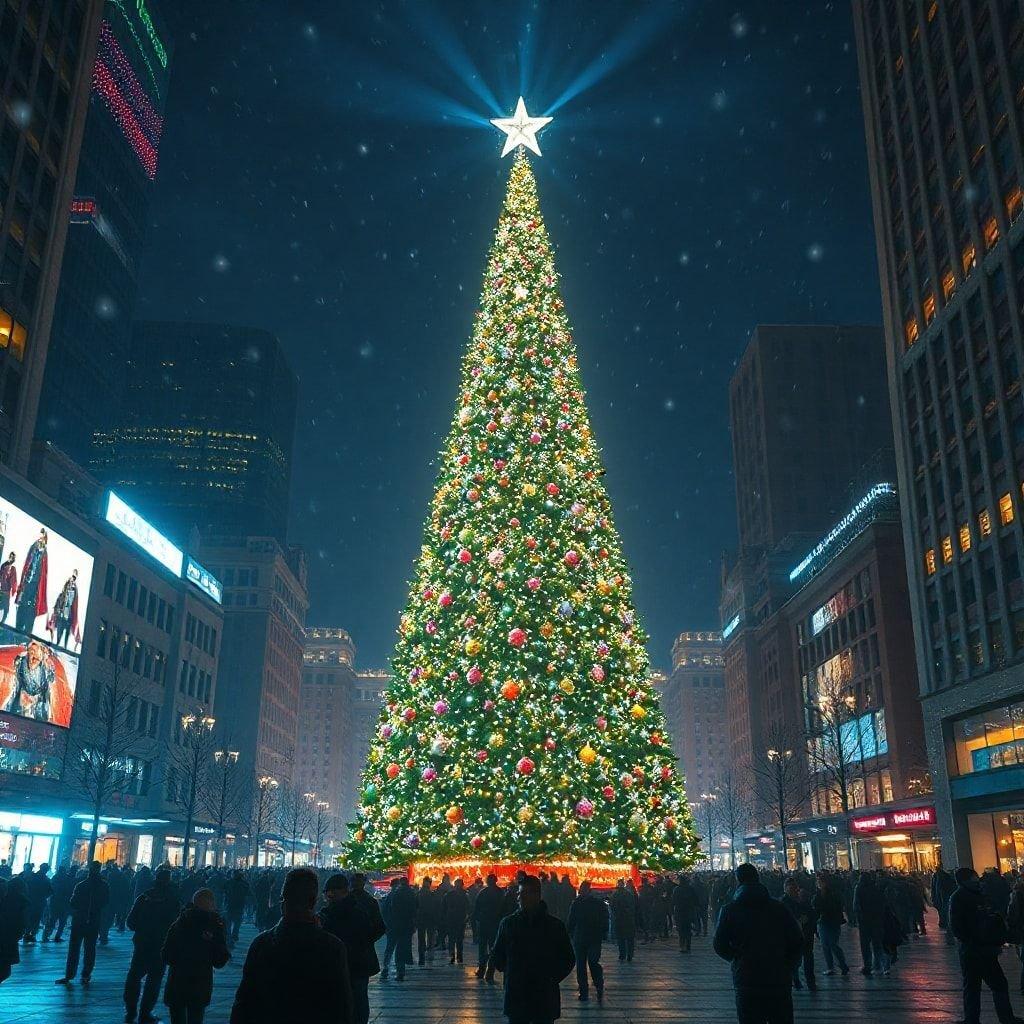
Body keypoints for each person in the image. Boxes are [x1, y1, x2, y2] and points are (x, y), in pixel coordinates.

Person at [230, 867, 353, 1024]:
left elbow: (244, 1002)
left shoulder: (262, 944)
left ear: (283, 899)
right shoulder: (332, 947)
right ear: (314, 901)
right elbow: (342, 1007)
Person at [713, 863, 803, 1024]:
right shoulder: (779, 908)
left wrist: (737, 958)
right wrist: (787, 965)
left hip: (747, 978)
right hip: (778, 978)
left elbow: (719, 944)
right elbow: (797, 940)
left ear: (738, 880)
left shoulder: (729, 910)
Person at [488, 874, 575, 1024]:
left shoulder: (553, 926)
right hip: (526, 995)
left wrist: (549, 978)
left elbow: (568, 958)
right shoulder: (509, 924)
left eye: (522, 894)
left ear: (536, 895)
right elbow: (497, 955)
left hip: (538, 995)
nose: (519, 898)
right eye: (519, 894)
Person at [950, 866, 1019, 1024]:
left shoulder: (961, 896)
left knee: (973, 987)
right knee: (997, 984)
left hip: (972, 950)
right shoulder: (978, 894)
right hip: (982, 949)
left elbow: (956, 927)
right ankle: (1006, 1017)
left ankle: (972, 1019)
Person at [319, 873, 384, 1024]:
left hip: (350, 963)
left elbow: (377, 928)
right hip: (358, 962)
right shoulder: (361, 907)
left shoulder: (329, 914)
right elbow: (378, 928)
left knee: (353, 998)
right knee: (358, 999)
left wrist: (363, 943)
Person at [162, 887, 230, 1024]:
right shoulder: (215, 925)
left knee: (177, 1018)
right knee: (196, 1017)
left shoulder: (180, 923)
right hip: (200, 983)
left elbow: (166, 955)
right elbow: (219, 960)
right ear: (211, 904)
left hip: (177, 981)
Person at [124, 866, 181, 1024]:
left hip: (142, 943)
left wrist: (142, 929)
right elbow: (177, 924)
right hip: (161, 945)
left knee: (134, 976)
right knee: (154, 980)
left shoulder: (144, 897)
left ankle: (130, 1011)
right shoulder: (172, 900)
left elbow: (131, 922)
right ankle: (145, 1012)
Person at [56, 860, 109, 986]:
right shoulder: (104, 886)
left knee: (74, 948)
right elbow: (106, 902)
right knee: (90, 949)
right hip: (94, 920)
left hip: (79, 919)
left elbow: (73, 902)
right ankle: (86, 974)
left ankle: (70, 974)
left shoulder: (81, 885)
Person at [566, 879, 608, 1003]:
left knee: (592, 962)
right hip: (583, 938)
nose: (581, 892)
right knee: (582, 965)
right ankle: (585, 990)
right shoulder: (577, 903)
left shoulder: (595, 903)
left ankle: (597, 985)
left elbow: (604, 918)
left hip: (590, 938)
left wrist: (603, 931)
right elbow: (571, 920)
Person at [781, 877, 818, 992]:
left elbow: (812, 914)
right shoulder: (785, 902)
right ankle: (797, 980)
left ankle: (806, 981)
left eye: (794, 888)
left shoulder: (802, 899)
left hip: (804, 935)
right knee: (796, 961)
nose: (793, 890)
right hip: (794, 936)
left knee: (804, 959)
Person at [381, 877, 417, 982]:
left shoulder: (392, 896)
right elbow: (414, 910)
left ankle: (385, 969)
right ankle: (400, 971)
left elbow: (385, 911)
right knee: (401, 950)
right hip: (405, 926)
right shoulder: (411, 894)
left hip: (393, 926)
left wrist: (386, 924)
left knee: (390, 948)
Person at [853, 870, 888, 977]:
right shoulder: (875, 888)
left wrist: (858, 918)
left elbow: (856, 905)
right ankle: (878, 965)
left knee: (865, 945)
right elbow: (882, 903)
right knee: (877, 944)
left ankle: (867, 965)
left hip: (864, 921)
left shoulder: (858, 888)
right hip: (876, 920)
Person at [812, 873, 848, 977]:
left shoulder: (831, 893)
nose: (819, 884)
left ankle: (841, 964)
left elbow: (820, 906)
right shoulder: (821, 893)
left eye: (820, 882)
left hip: (829, 921)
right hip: (825, 922)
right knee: (826, 945)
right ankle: (832, 966)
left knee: (832, 944)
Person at [14, 529, 47, 636]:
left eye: (42, 537)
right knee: (21, 610)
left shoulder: (44, 553)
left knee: (29, 613)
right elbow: (27, 564)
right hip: (27, 582)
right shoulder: (33, 548)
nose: (40, 539)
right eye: (39, 537)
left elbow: (43, 574)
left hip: (34, 586)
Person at [472, 873, 504, 978]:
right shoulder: (500, 893)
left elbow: (476, 908)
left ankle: (481, 969)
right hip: (495, 924)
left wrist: (477, 920)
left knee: (482, 947)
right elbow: (504, 908)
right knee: (493, 947)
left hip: (484, 923)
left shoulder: (483, 893)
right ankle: (490, 971)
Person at [0, 877, 27, 985]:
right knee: (4, 970)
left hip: (7, 938)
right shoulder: (17, 902)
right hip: (7, 940)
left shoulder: (10, 902)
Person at [47, 570, 80, 649]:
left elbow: (74, 606)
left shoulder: (74, 591)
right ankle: (56, 646)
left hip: (68, 619)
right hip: (61, 617)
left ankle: (64, 648)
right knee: (59, 636)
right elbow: (56, 606)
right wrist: (56, 613)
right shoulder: (62, 595)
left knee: (66, 639)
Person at [44, 864, 75, 942]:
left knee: (53, 920)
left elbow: (51, 890)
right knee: (61, 922)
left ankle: (46, 935)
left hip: (55, 903)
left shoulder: (55, 878)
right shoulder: (66, 879)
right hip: (63, 903)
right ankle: (56, 936)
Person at [442, 877, 470, 965]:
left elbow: (443, 906)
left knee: (451, 939)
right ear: (462, 885)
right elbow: (469, 907)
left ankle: (452, 956)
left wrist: (445, 917)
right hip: (460, 919)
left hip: (451, 919)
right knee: (459, 939)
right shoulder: (465, 895)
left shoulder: (449, 894)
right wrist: (467, 917)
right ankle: (460, 957)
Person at [610, 879, 638, 962]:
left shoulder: (615, 894)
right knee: (629, 938)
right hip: (628, 919)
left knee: (621, 938)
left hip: (619, 919)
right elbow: (633, 906)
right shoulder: (628, 894)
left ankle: (622, 955)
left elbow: (612, 906)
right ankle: (629, 955)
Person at [23, 861, 51, 943]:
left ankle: (27, 933)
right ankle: (32, 934)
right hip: (40, 902)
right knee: (36, 919)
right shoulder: (46, 879)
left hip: (31, 901)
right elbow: (50, 891)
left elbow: (26, 887)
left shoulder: (33, 877)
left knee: (30, 918)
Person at [225, 870, 250, 948]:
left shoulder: (229, 882)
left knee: (229, 922)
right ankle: (234, 935)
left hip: (230, 904)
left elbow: (224, 891)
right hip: (239, 905)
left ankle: (229, 936)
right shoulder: (244, 884)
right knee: (237, 922)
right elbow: (248, 893)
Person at [672, 875, 697, 954]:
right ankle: (688, 946)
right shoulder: (690, 889)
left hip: (680, 912)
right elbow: (695, 899)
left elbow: (673, 901)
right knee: (687, 930)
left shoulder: (677, 889)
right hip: (688, 912)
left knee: (681, 930)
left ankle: (682, 946)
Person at [933, 865, 957, 942]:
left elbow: (938, 891)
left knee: (947, 916)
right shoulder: (944, 877)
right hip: (946, 899)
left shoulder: (939, 877)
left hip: (944, 900)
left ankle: (949, 934)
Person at [0, 552, 16, 624]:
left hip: (7, 592)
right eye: (11, 556)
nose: (11, 558)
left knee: (6, 609)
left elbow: (14, 581)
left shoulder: (13, 568)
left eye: (13, 557)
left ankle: (2, 622)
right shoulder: (4, 565)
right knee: (4, 607)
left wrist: (14, 590)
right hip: (2, 590)